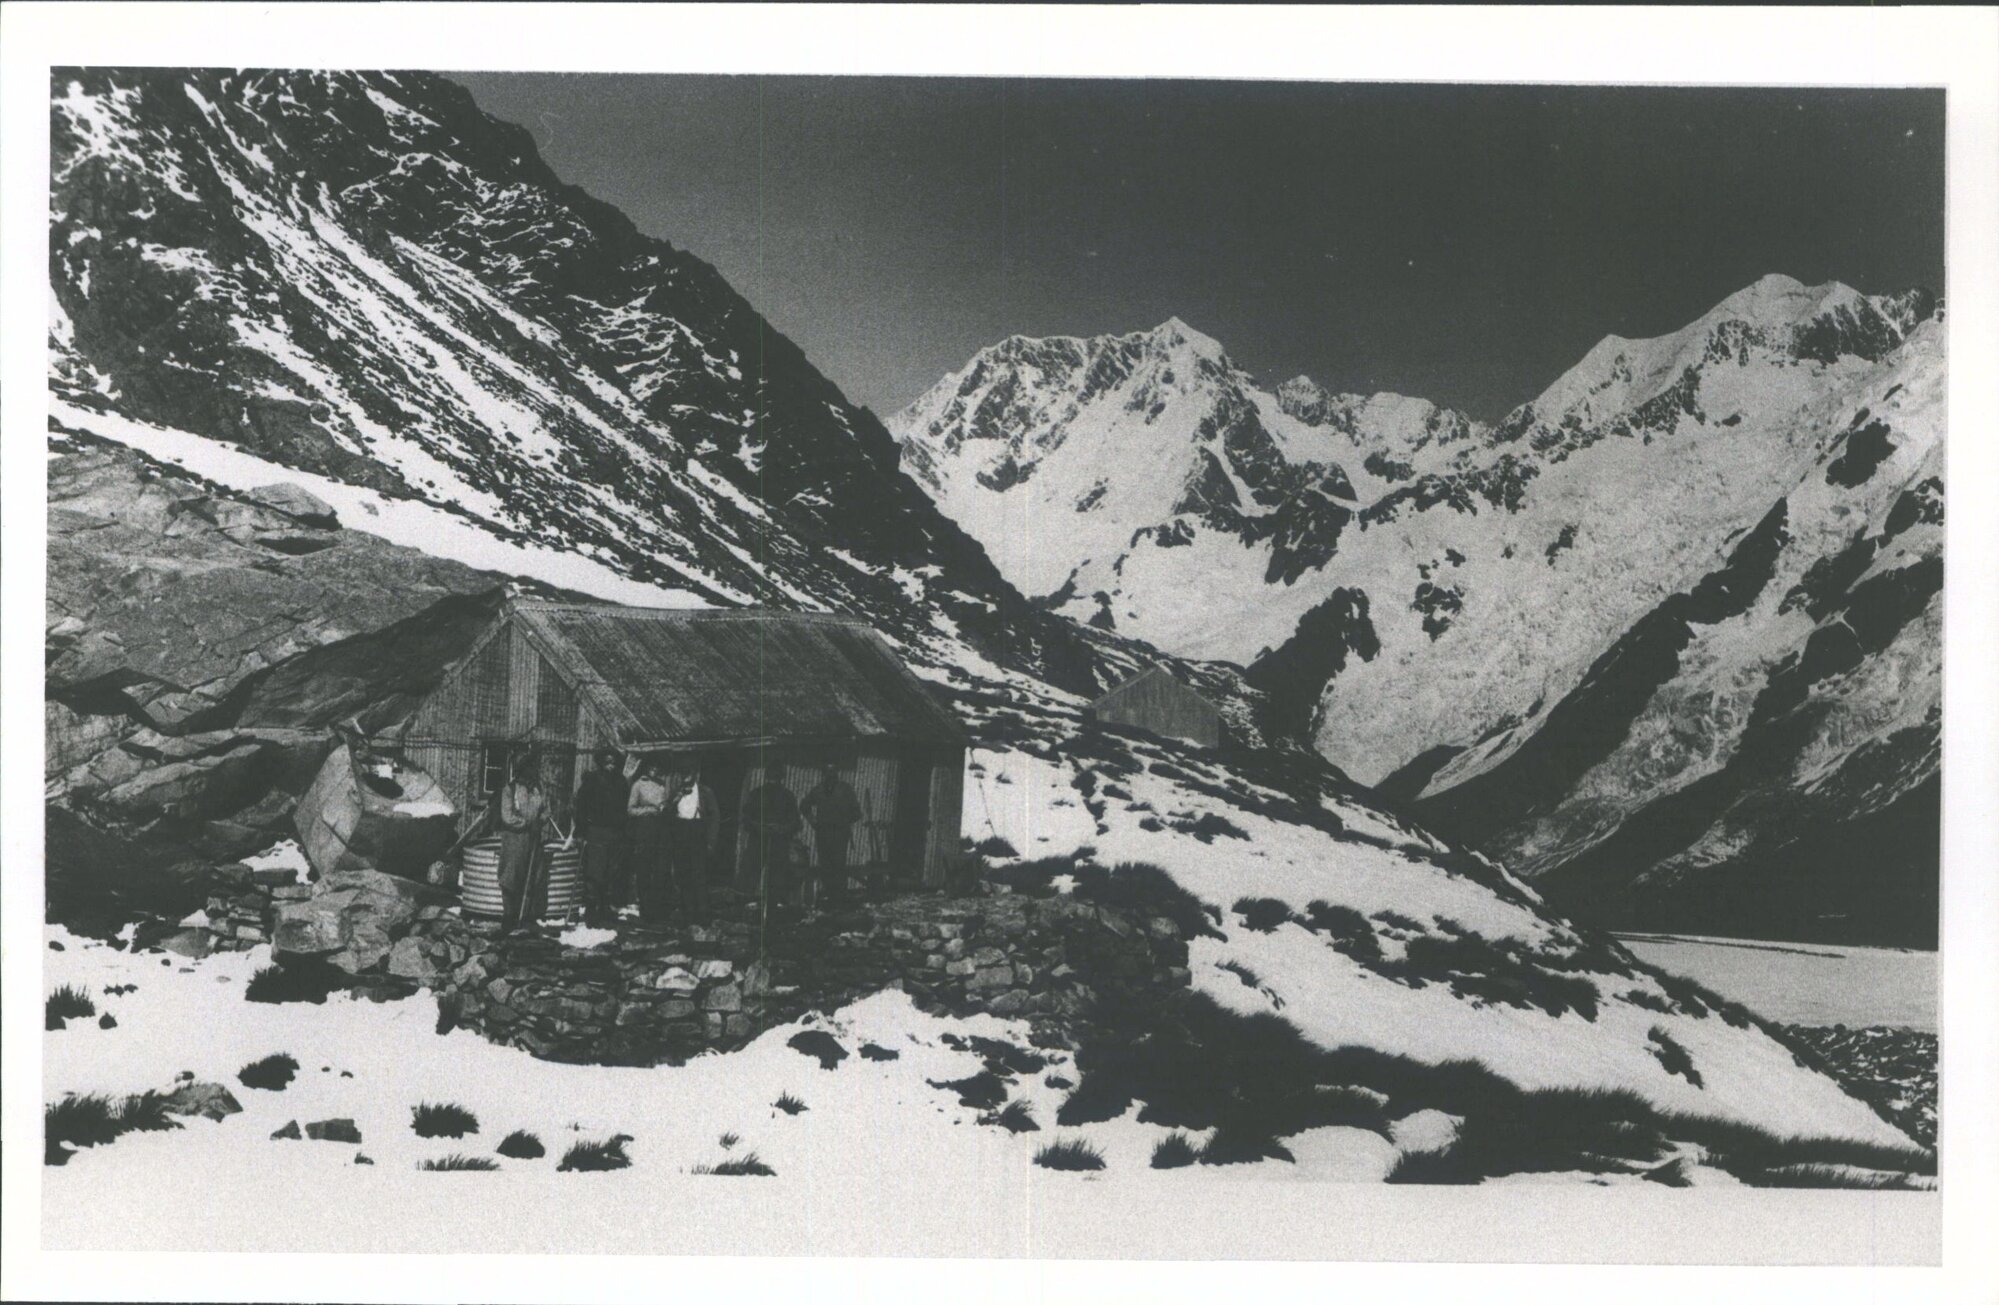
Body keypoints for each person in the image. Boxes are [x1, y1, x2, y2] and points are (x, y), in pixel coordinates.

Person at [574, 749, 630, 924]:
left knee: (611, 872)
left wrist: (624, 830)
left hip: (616, 832)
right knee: (595, 872)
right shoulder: (592, 779)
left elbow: (625, 807)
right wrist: (581, 831)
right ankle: (591, 911)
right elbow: (580, 806)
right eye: (607, 761)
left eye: (613, 762)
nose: (610, 765)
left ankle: (605, 908)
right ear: (601, 762)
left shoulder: (621, 781)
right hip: (596, 830)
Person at [496, 754, 550, 933]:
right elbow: (507, 816)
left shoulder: (538, 789)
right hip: (514, 839)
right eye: (528, 769)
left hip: (534, 839)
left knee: (533, 877)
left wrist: (540, 821)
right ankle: (509, 916)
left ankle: (527, 916)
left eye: (534, 769)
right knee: (511, 877)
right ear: (521, 771)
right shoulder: (510, 789)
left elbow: (546, 810)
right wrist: (526, 823)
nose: (532, 773)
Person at [800, 764, 863, 906]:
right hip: (823, 833)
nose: (830, 775)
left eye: (833, 772)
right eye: (827, 772)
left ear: (837, 773)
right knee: (825, 866)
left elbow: (857, 813)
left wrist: (843, 821)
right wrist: (813, 822)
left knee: (838, 866)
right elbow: (804, 806)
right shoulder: (818, 790)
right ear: (824, 774)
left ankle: (839, 899)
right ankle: (829, 897)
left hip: (840, 834)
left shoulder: (845, 790)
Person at [665, 765, 720, 918]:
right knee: (683, 873)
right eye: (683, 774)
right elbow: (666, 813)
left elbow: (715, 817)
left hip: (698, 832)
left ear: (695, 775)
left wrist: (711, 841)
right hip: (681, 833)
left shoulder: (705, 792)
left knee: (699, 873)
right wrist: (675, 800)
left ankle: (702, 913)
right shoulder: (676, 791)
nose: (685, 777)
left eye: (688, 774)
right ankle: (686, 912)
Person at [742, 778, 802, 911]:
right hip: (758, 839)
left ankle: (773, 907)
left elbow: (795, 822)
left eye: (777, 778)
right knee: (750, 872)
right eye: (771, 778)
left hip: (779, 841)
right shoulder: (756, 794)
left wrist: (781, 829)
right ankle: (746, 904)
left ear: (782, 779)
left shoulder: (787, 796)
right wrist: (760, 827)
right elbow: (746, 817)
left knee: (777, 875)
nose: (773, 782)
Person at [626, 759, 671, 924]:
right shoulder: (638, 785)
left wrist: (664, 807)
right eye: (652, 766)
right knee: (644, 869)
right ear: (646, 768)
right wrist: (648, 811)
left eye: (657, 767)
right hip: (644, 830)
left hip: (661, 830)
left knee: (660, 870)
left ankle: (657, 910)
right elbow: (630, 810)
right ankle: (645, 912)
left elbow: (665, 804)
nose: (654, 769)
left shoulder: (662, 785)